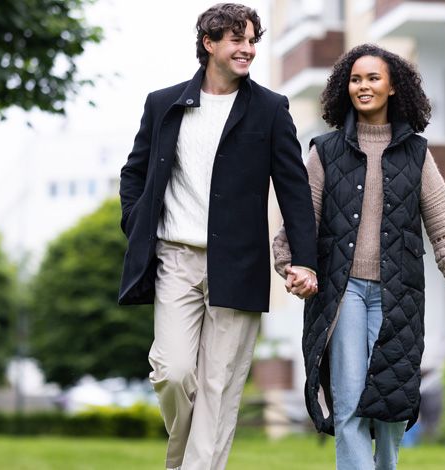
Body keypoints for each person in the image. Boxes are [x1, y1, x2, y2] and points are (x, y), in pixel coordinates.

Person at [117, 4, 318, 469]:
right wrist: (137, 222)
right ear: (209, 44)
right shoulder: (163, 103)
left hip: (239, 265)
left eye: (252, 41)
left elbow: (293, 190)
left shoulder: (270, 109)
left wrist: (303, 259)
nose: (248, 49)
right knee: (173, 372)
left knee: (218, 386)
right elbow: (135, 173)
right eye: (237, 40)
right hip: (175, 258)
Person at [272, 43, 445, 470]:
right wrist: (292, 264)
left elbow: (444, 223)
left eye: (373, 78)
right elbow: (301, 220)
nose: (363, 86)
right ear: (343, 88)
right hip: (341, 291)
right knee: (349, 398)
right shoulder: (326, 151)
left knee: (391, 400)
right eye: (355, 79)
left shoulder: (417, 154)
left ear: (393, 88)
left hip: (398, 293)